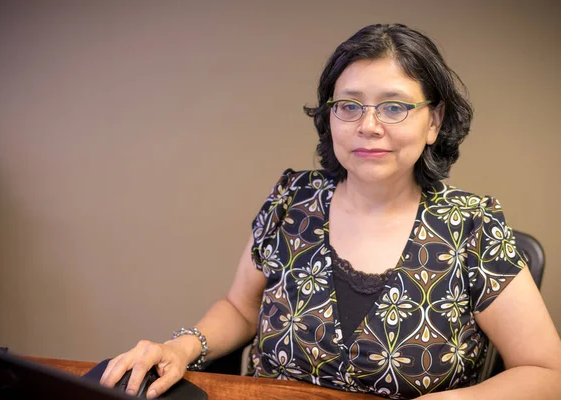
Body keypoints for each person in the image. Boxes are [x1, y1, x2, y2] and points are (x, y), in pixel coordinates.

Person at [99, 23, 561, 399]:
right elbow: (242, 308)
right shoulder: (292, 199)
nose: (368, 125)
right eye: (349, 105)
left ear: (434, 121)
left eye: (395, 107)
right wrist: (179, 347)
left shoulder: (472, 226)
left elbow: (547, 371)